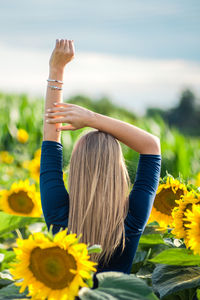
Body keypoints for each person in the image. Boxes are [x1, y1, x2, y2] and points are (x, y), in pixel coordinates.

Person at [40, 39, 161, 284]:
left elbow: (51, 139)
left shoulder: (59, 213)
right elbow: (151, 146)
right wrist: (91, 118)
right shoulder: (133, 217)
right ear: (118, 170)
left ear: (76, 169)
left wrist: (56, 70)